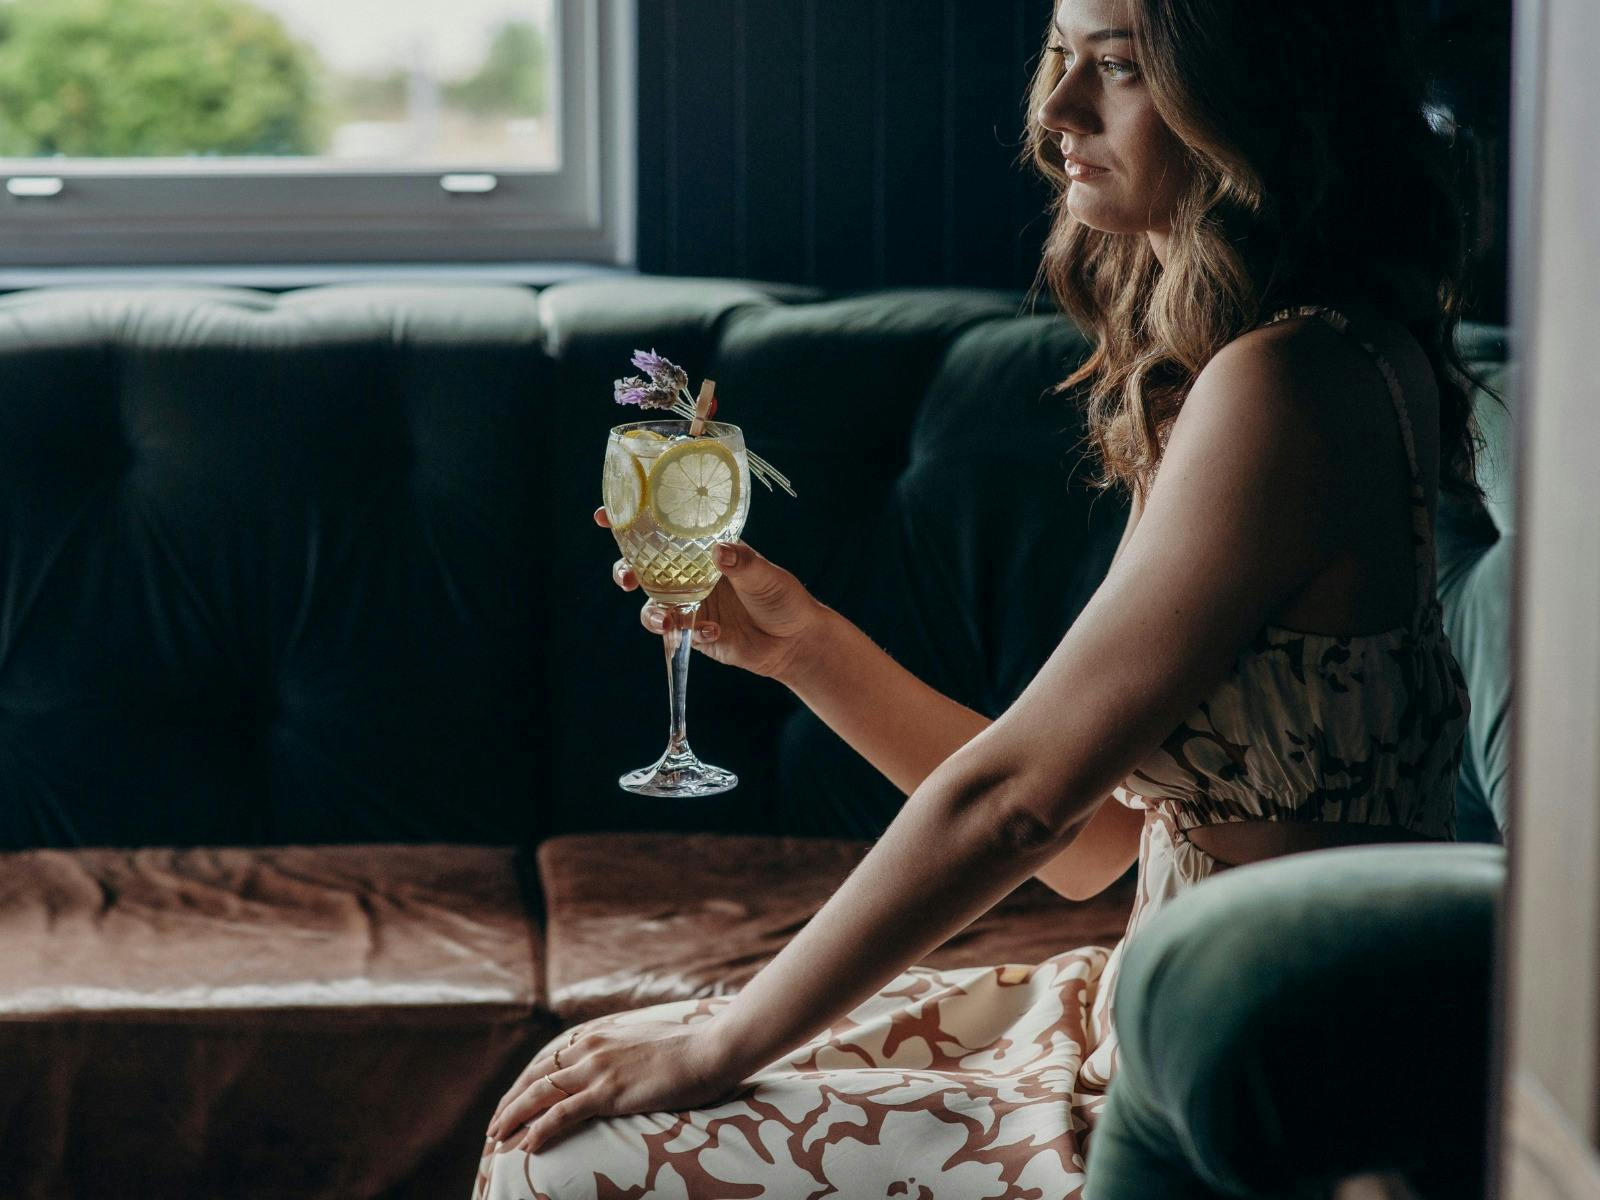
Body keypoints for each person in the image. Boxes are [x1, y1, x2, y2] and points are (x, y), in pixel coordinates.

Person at [474, 0, 1489, 1195]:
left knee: (568, 1159)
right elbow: (1096, 847)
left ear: (1256, 97)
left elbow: (1021, 807)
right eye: (1060, 55)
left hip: (1233, 1068)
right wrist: (806, 650)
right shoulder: (1261, 363)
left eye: (1116, 66)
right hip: (1150, 1011)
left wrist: (719, 1046)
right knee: (578, 1073)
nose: (1056, 110)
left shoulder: (1289, 383)